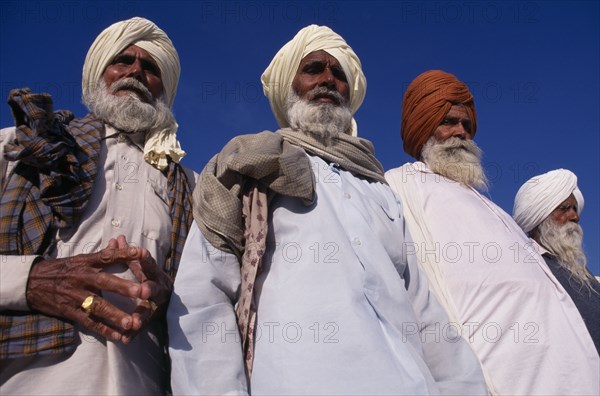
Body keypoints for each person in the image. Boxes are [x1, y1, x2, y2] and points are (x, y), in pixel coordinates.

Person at [167, 25, 486, 395]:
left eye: (339, 75)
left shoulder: (378, 188)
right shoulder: (248, 165)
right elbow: (203, 296)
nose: (328, 81)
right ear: (291, 84)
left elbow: (426, 314)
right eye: (314, 69)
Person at [0, 17, 195, 395]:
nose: (136, 71)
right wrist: (29, 280)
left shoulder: (190, 185)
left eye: (151, 67)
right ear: (99, 73)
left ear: (164, 87)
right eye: (123, 60)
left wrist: (166, 290)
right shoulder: (19, 147)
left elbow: (209, 293)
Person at [385, 70, 599, 395]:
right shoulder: (398, 188)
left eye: (467, 125)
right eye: (449, 122)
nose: (461, 133)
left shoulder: (492, 209)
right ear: (422, 126)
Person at [513, 168, 600, 352]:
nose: (575, 217)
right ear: (540, 215)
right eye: (565, 208)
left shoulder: (583, 273)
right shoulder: (524, 267)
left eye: (575, 209)